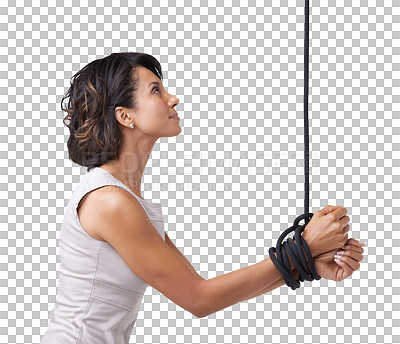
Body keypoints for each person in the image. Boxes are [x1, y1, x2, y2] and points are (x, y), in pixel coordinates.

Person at [41, 52, 365, 344]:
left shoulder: (125, 200)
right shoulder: (109, 202)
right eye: (156, 90)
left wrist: (306, 265)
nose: (173, 98)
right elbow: (199, 299)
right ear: (125, 116)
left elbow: (202, 290)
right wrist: (304, 249)